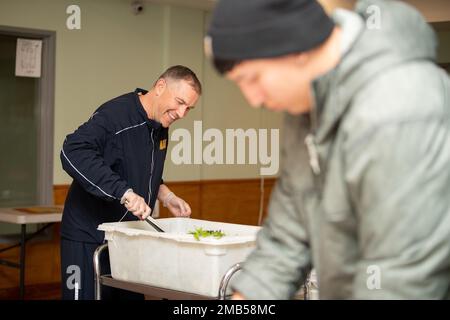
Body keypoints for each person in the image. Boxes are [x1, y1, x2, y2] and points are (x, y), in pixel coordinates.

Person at [206, 0, 450, 299]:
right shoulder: (306, 109)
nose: (253, 99)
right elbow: (287, 239)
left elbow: (402, 279)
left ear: (295, 47)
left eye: (253, 78)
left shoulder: (399, 108)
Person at [60, 65, 201, 300]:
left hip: (125, 239)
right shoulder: (116, 115)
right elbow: (72, 151)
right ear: (160, 86)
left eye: (189, 108)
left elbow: (137, 168)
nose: (182, 113)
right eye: (179, 102)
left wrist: (165, 195)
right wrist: (124, 193)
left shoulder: (160, 124)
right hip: (87, 237)